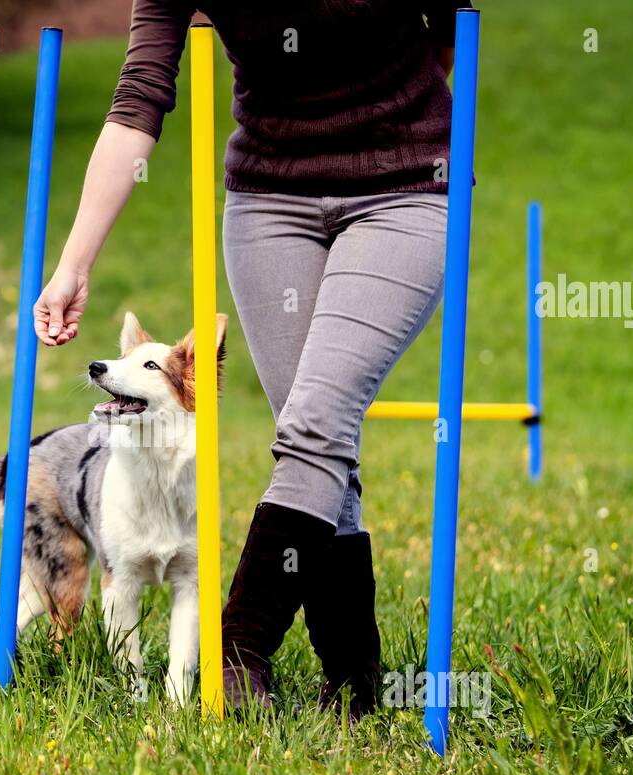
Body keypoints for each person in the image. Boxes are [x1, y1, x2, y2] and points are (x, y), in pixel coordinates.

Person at [33, 1, 466, 719]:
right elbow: (139, 97)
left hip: (405, 187)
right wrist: (74, 263)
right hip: (271, 200)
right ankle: (355, 683)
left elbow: (450, 25)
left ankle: (238, 648)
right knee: (320, 442)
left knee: (316, 425)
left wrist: (389, 114)